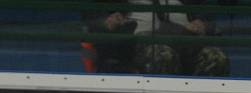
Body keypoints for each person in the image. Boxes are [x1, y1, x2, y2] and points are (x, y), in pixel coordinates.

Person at [83, 0, 229, 76]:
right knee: (161, 54)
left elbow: (212, 17)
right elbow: (92, 20)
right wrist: (108, 23)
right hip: (141, 43)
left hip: (186, 40)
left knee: (216, 57)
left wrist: (202, 25)